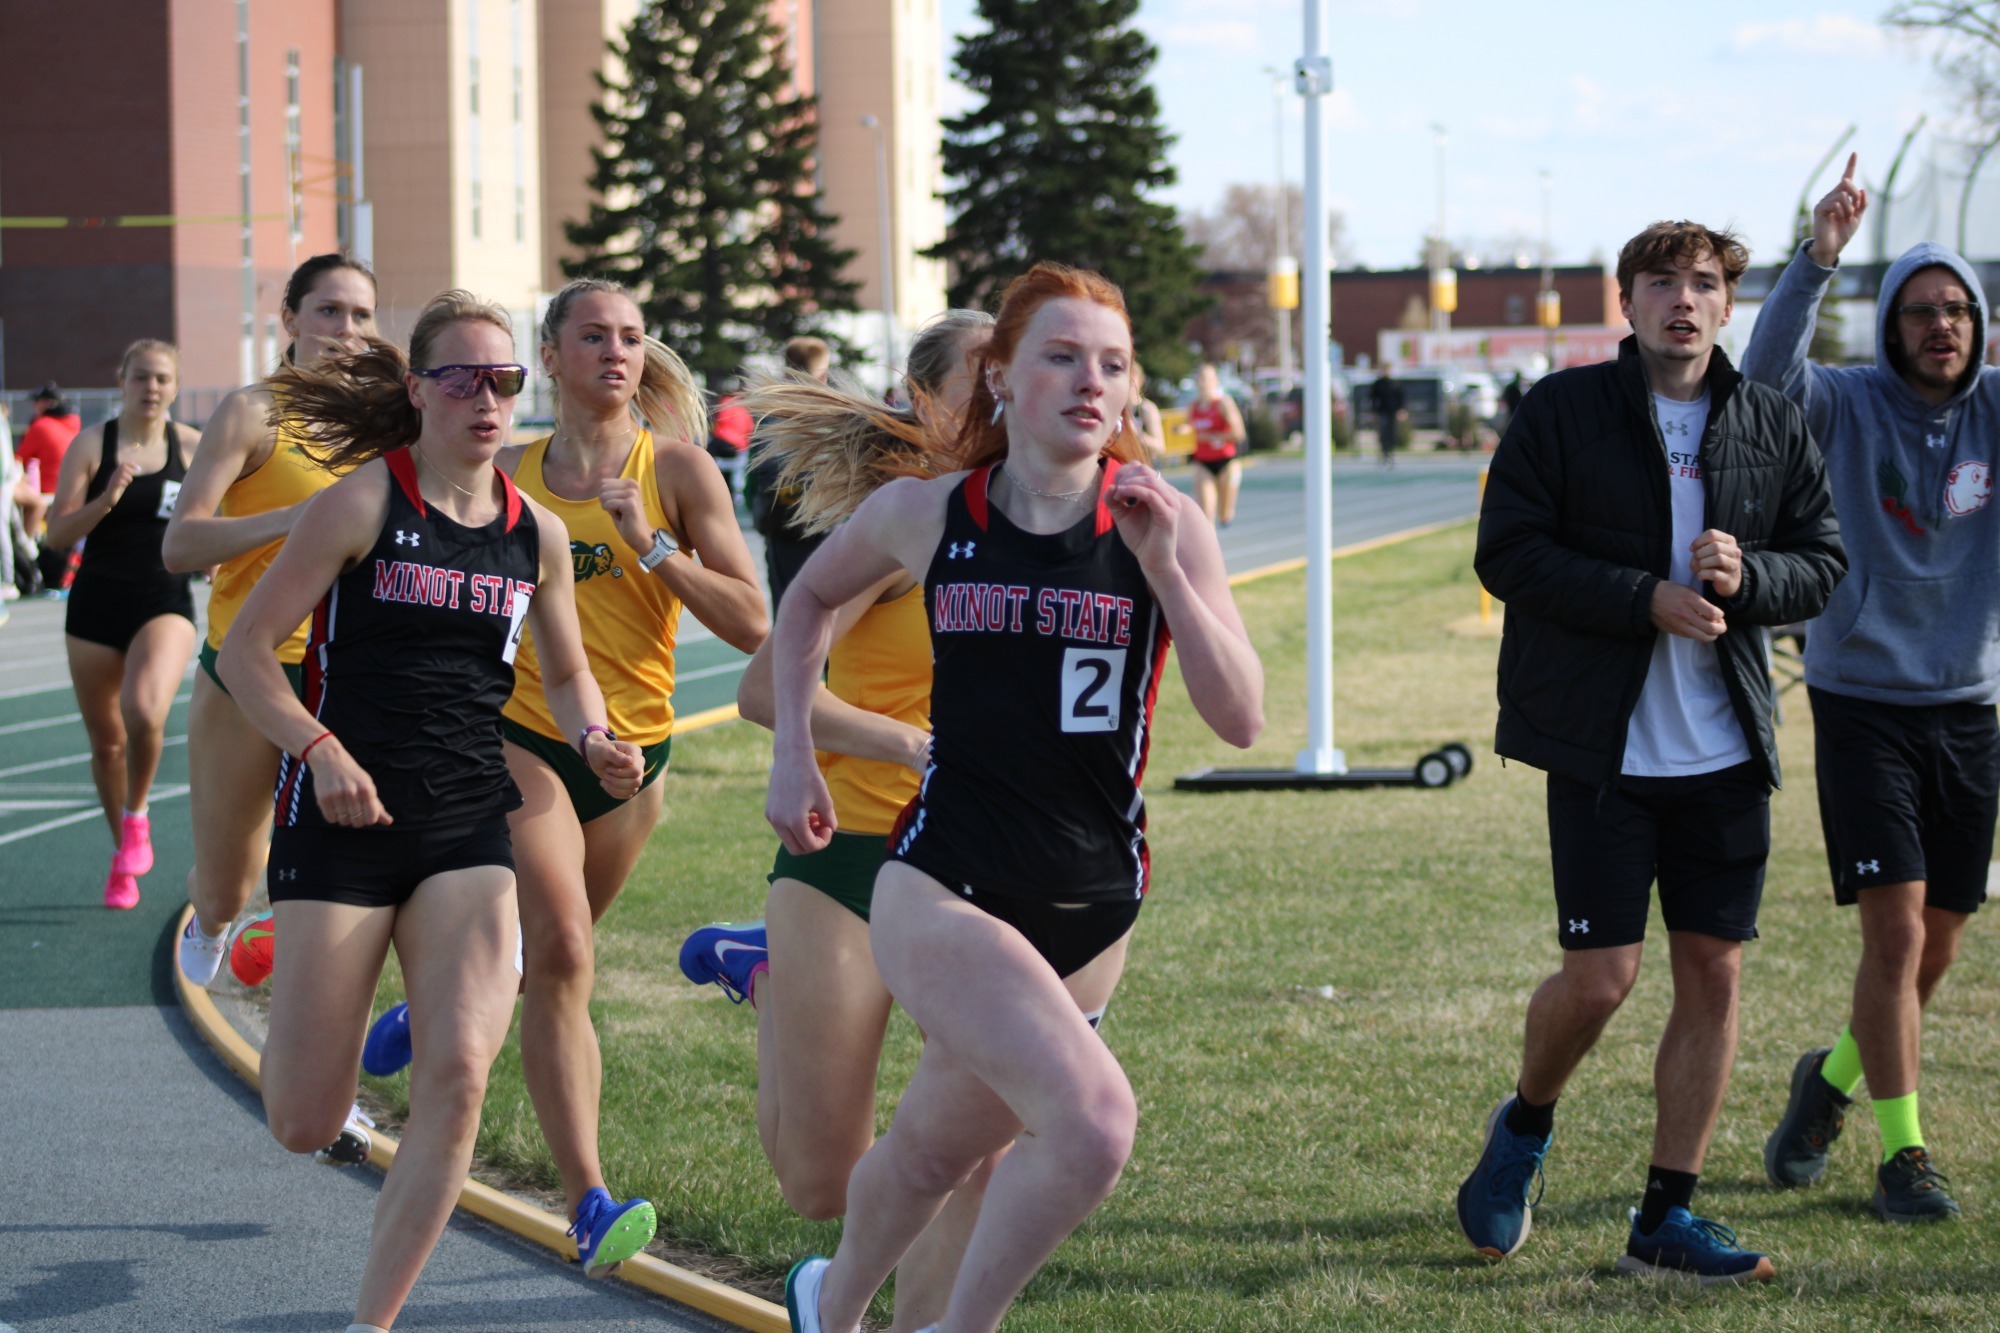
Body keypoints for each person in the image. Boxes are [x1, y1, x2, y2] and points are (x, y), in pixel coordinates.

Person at [764, 262, 1263, 1333]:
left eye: (1114, 364)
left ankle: (831, 1305)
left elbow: (1240, 719)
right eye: (1062, 356)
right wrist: (791, 753)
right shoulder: (925, 513)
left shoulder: (1164, 523)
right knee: (1090, 1122)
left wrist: (1168, 570)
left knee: (937, 1150)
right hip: (945, 880)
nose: (1093, 382)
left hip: (1091, 902)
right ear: (999, 376)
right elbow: (804, 604)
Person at [217, 289, 643, 1333]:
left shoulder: (533, 532)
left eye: (504, 380)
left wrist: (595, 737)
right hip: (346, 821)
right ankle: (291, 956)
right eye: (463, 377)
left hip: (465, 823)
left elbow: (571, 670)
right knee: (302, 1117)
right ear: (418, 391)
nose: (487, 398)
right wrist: (316, 749)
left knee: (457, 1069)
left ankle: (373, 1323)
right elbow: (243, 654)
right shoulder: (361, 503)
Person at [357, 276, 768, 1273]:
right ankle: (589, 1196)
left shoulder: (677, 471)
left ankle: (453, 996)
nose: (615, 352)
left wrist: (652, 546)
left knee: (539, 967)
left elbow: (754, 623)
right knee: (572, 954)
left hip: (639, 754)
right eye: (592, 335)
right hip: (524, 735)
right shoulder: (516, 475)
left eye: (630, 336)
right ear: (547, 357)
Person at [1463, 220, 1845, 1282]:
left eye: (1706, 283)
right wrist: (1644, 599)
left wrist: (1746, 576)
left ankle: (1663, 1217)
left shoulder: (1769, 417)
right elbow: (1506, 554)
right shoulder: (1561, 409)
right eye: (1662, 281)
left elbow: (1820, 561)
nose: (1684, 299)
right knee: (1597, 981)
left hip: (1724, 749)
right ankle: (1525, 1125)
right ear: (1624, 300)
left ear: (1727, 304)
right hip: (1601, 750)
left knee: (1712, 975)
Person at [678, 308, 993, 1333]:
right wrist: (902, 743)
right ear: (920, 395)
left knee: (979, 1136)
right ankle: (768, 969)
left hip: (984, 865)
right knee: (819, 1181)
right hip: (850, 850)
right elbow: (768, 695)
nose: (997, 399)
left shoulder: (1037, 518)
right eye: (976, 380)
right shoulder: (900, 522)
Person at [1748, 155, 2000, 1222]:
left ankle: (1829, 1083)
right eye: (1916, 311)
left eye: (1954, 310)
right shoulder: (1843, 403)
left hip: (1969, 707)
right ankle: (1902, 1156)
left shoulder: (1993, 410)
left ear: (1977, 323)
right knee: (1892, 939)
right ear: (1887, 325)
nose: (1937, 326)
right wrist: (1815, 260)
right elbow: (1759, 381)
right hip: (1859, 704)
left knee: (1935, 942)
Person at [165, 253, 379, 983]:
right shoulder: (252, 411)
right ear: (289, 320)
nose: (345, 330)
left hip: (352, 672)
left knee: (340, 877)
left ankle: (325, 1050)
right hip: (250, 671)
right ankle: (218, 916)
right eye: (327, 311)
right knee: (229, 880)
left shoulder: (394, 420)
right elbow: (181, 542)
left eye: (360, 315)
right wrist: (295, 519)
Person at [45, 341, 202, 909]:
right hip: (94, 608)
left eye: (162, 378)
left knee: (143, 709)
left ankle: (137, 814)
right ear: (122, 380)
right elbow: (55, 535)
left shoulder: (192, 448)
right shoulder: (94, 444)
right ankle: (122, 853)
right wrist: (106, 499)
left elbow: (218, 517)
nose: (151, 387)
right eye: (141, 377)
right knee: (107, 744)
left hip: (163, 600)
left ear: (176, 386)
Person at [748, 336, 837, 607]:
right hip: (824, 525)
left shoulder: (769, 413)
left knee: (785, 606)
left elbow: (753, 474)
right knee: (829, 609)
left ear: (786, 370)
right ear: (822, 374)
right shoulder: (834, 413)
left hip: (779, 525)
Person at [21, 382, 83, 591]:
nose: (34, 407)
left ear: (47, 404)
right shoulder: (75, 424)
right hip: (75, 495)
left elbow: (18, 459)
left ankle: (26, 560)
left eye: (37, 402)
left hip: (48, 493)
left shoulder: (41, 426)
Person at [1186, 363, 1245, 527]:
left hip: (1226, 461)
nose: (1202, 382)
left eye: (1206, 378)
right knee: (1206, 514)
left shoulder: (1223, 403)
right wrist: (1182, 432)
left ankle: (1226, 516)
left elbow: (1239, 433)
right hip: (1203, 462)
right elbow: (1186, 428)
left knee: (1225, 515)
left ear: (1215, 381)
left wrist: (1212, 437)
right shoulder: (1194, 407)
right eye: (1199, 378)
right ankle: (1209, 549)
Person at [1125, 359, 1167, 468]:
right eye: (1126, 379)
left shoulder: (1147, 409)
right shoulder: (1115, 409)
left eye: (1133, 379)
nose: (1130, 383)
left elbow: (1160, 446)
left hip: (1143, 467)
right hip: (1120, 467)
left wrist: (1137, 434)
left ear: (1140, 381)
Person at [1370, 368, 1407, 467]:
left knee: (1392, 433)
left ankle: (1391, 453)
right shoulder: (1379, 384)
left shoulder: (1395, 383)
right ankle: (1384, 453)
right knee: (1383, 434)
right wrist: (1374, 411)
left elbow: (1401, 397)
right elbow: (1373, 398)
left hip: (1393, 412)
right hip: (1382, 412)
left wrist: (1401, 410)